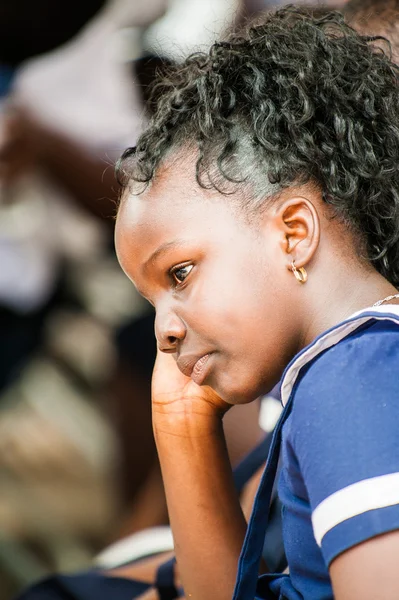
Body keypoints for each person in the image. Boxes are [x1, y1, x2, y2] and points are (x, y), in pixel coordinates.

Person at [114, 6, 399, 600]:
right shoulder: (339, 372)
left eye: (181, 273)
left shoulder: (352, 383)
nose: (164, 329)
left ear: (293, 233)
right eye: (152, 302)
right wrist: (179, 423)